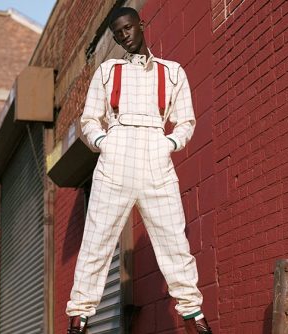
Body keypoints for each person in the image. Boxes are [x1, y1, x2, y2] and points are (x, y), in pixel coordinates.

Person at [66, 7, 212, 334]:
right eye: (118, 33)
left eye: (128, 28)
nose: (124, 36)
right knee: (97, 236)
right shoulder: (108, 71)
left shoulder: (172, 71)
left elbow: (186, 119)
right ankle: (79, 316)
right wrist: (104, 141)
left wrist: (170, 144)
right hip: (116, 153)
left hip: (155, 152)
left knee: (172, 234)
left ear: (140, 25)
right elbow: (89, 119)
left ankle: (193, 314)